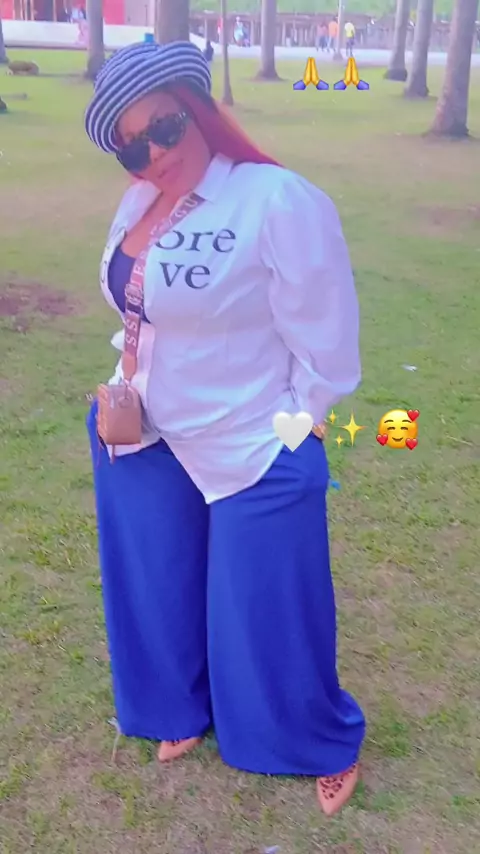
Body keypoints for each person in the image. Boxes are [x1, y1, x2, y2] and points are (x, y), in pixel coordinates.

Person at [83, 40, 365, 817]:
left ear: (197, 109)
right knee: (158, 587)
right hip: (143, 433)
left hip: (248, 441)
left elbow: (329, 349)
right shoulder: (138, 203)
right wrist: (124, 390)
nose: (152, 153)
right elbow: (141, 306)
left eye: (163, 127)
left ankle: (310, 738)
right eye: (130, 146)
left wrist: (292, 433)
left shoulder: (278, 200)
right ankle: (177, 708)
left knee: (266, 611)